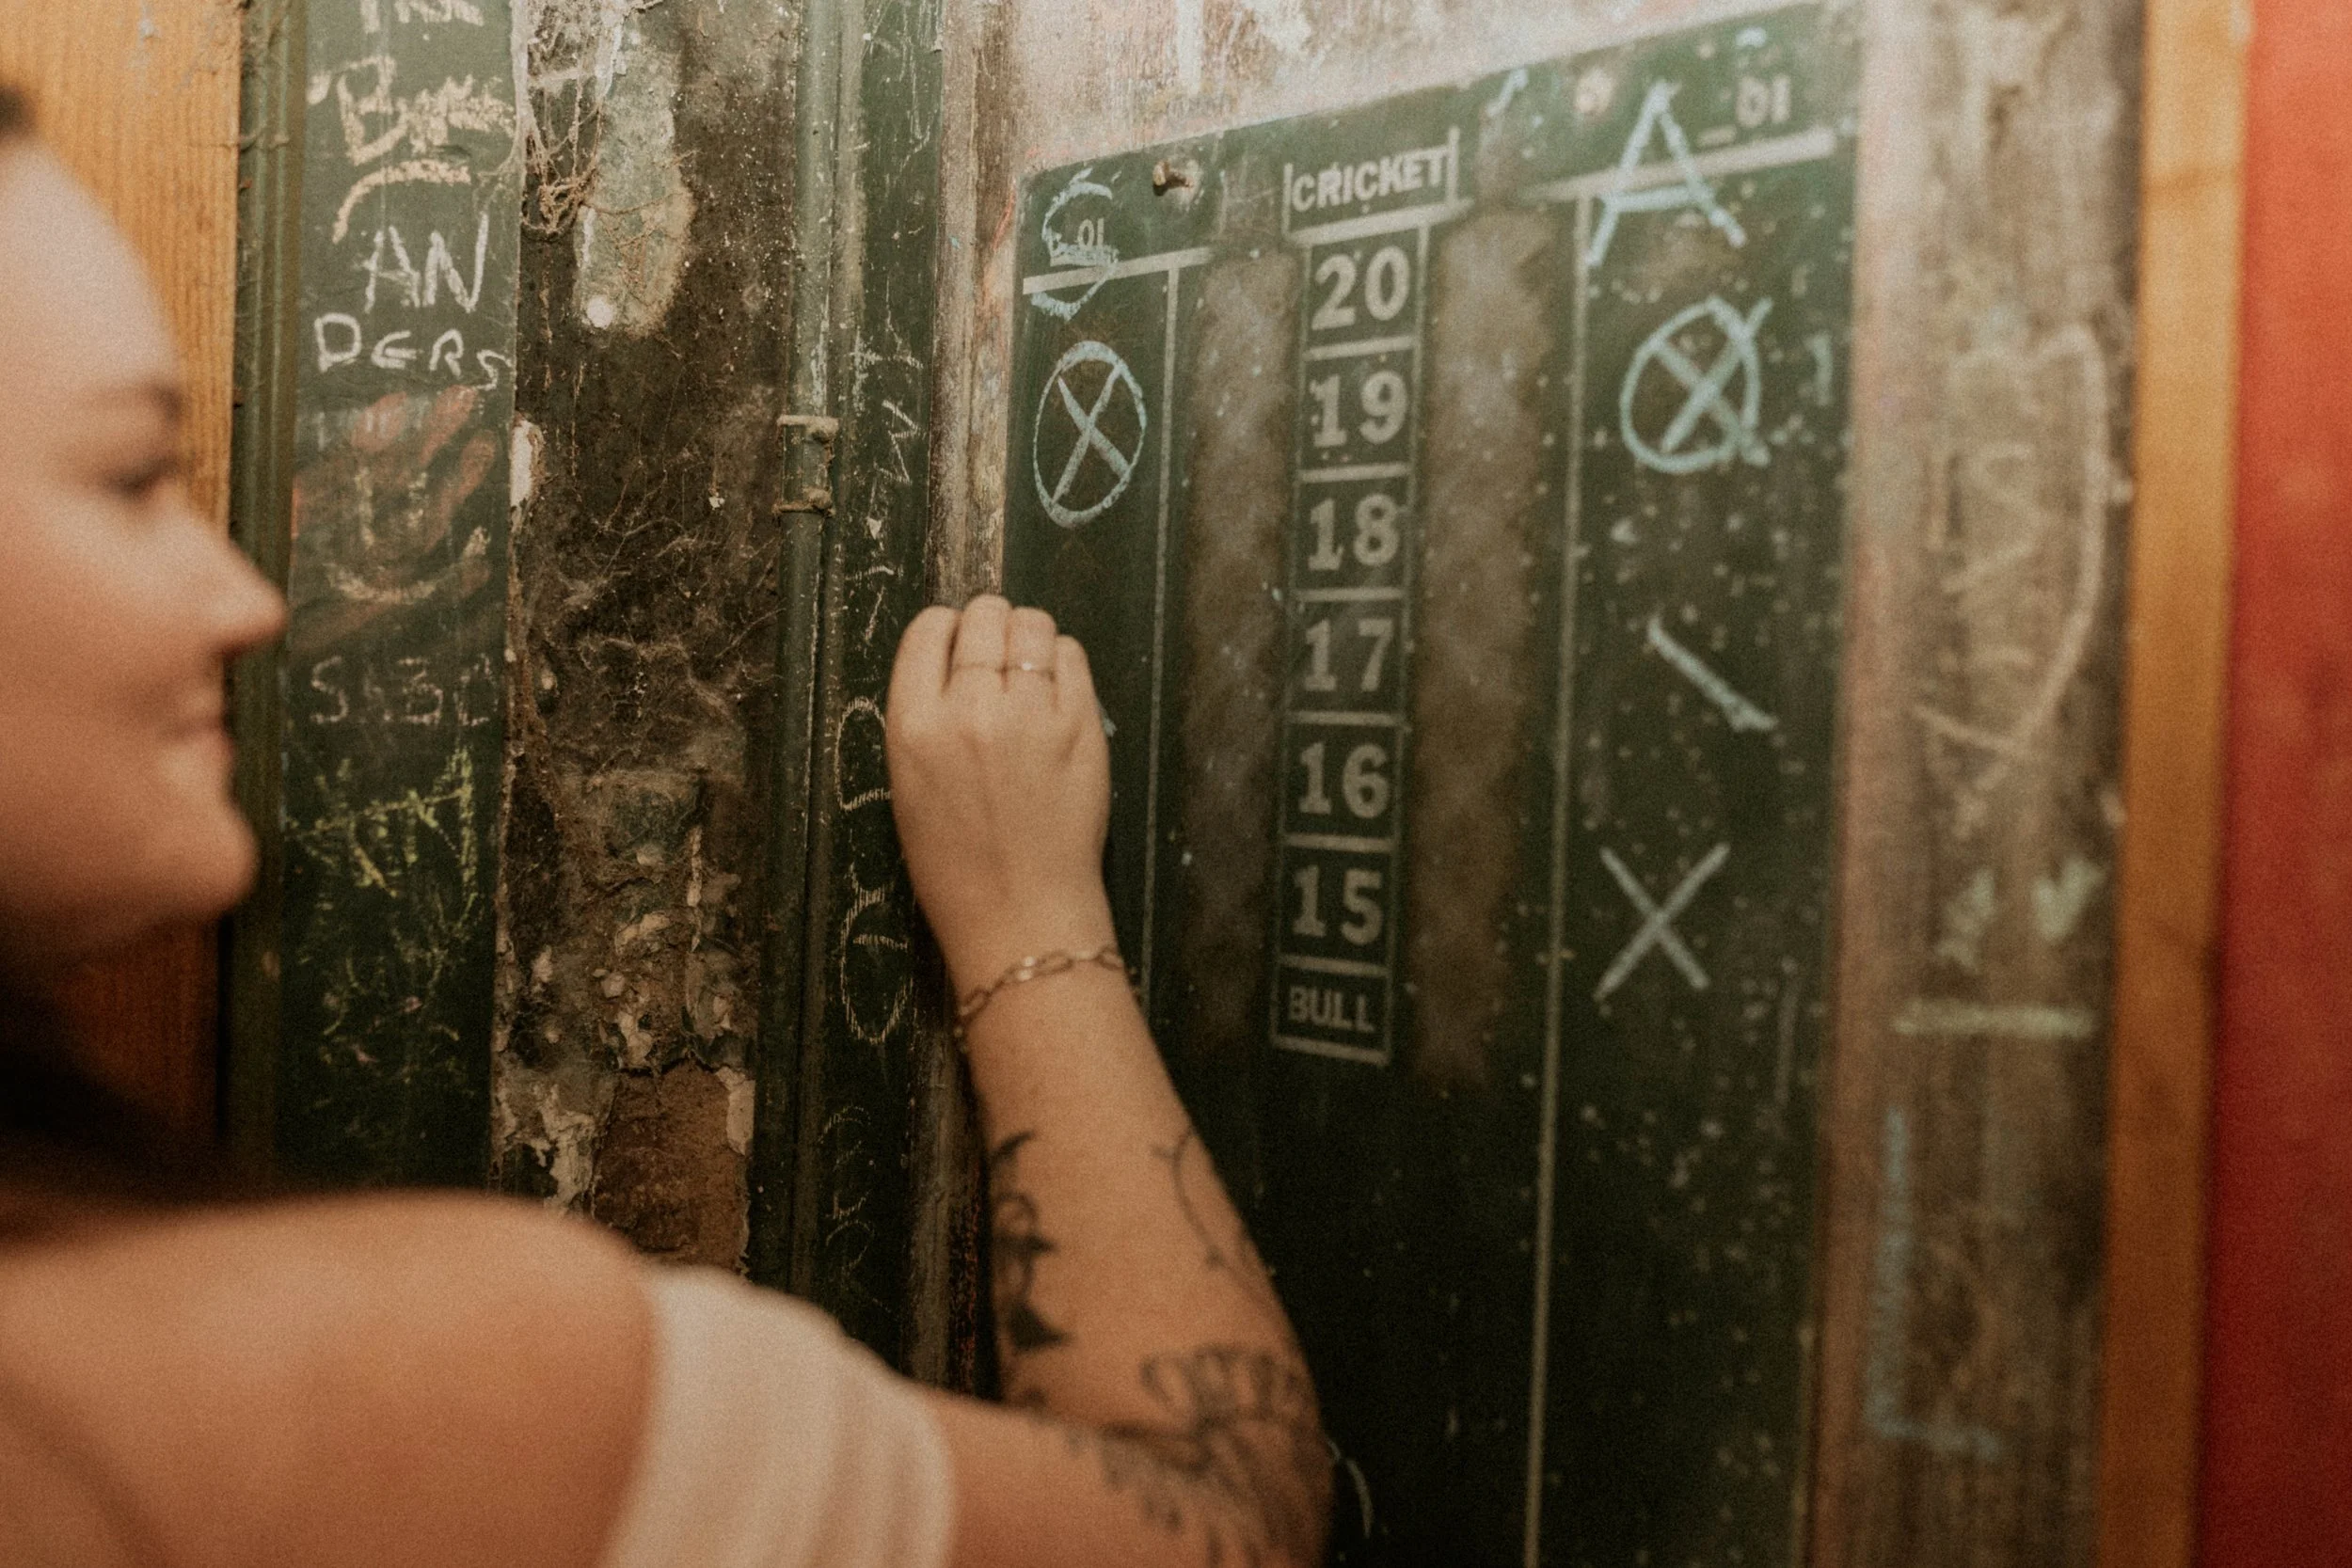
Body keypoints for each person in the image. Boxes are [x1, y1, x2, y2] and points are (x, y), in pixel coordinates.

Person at [0, 86, 1329, 1568]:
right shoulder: (383, 1389)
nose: (245, 598)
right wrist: (1033, 920)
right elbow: (1229, 1520)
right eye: (131, 476)